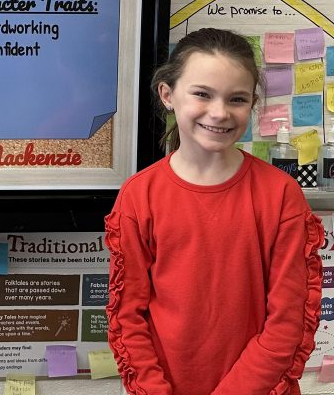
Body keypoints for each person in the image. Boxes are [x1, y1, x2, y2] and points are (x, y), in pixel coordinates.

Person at [105, 27, 322, 395]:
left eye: (236, 99)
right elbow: (128, 317)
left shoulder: (280, 195)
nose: (219, 113)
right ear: (167, 94)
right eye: (203, 94)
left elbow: (288, 321)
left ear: (252, 104)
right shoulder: (139, 196)